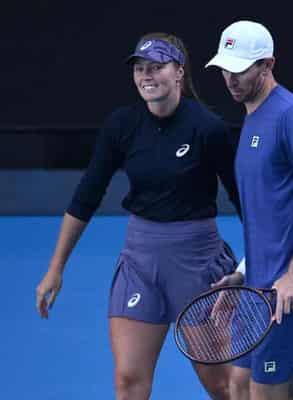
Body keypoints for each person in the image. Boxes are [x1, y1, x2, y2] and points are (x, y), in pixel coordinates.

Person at [35, 32, 242, 400]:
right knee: (128, 381)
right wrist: (56, 268)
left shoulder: (208, 128)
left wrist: (260, 263)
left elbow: (244, 201)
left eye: (157, 67)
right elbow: (86, 198)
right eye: (140, 69)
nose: (147, 76)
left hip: (196, 263)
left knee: (224, 386)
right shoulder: (121, 125)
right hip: (140, 263)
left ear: (178, 72)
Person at [206, 21, 293, 400]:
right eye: (224, 69)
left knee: (268, 395)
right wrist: (243, 271)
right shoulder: (254, 114)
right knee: (237, 386)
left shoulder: (292, 116)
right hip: (258, 285)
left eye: (240, 69)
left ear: (266, 65)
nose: (230, 79)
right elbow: (274, 212)